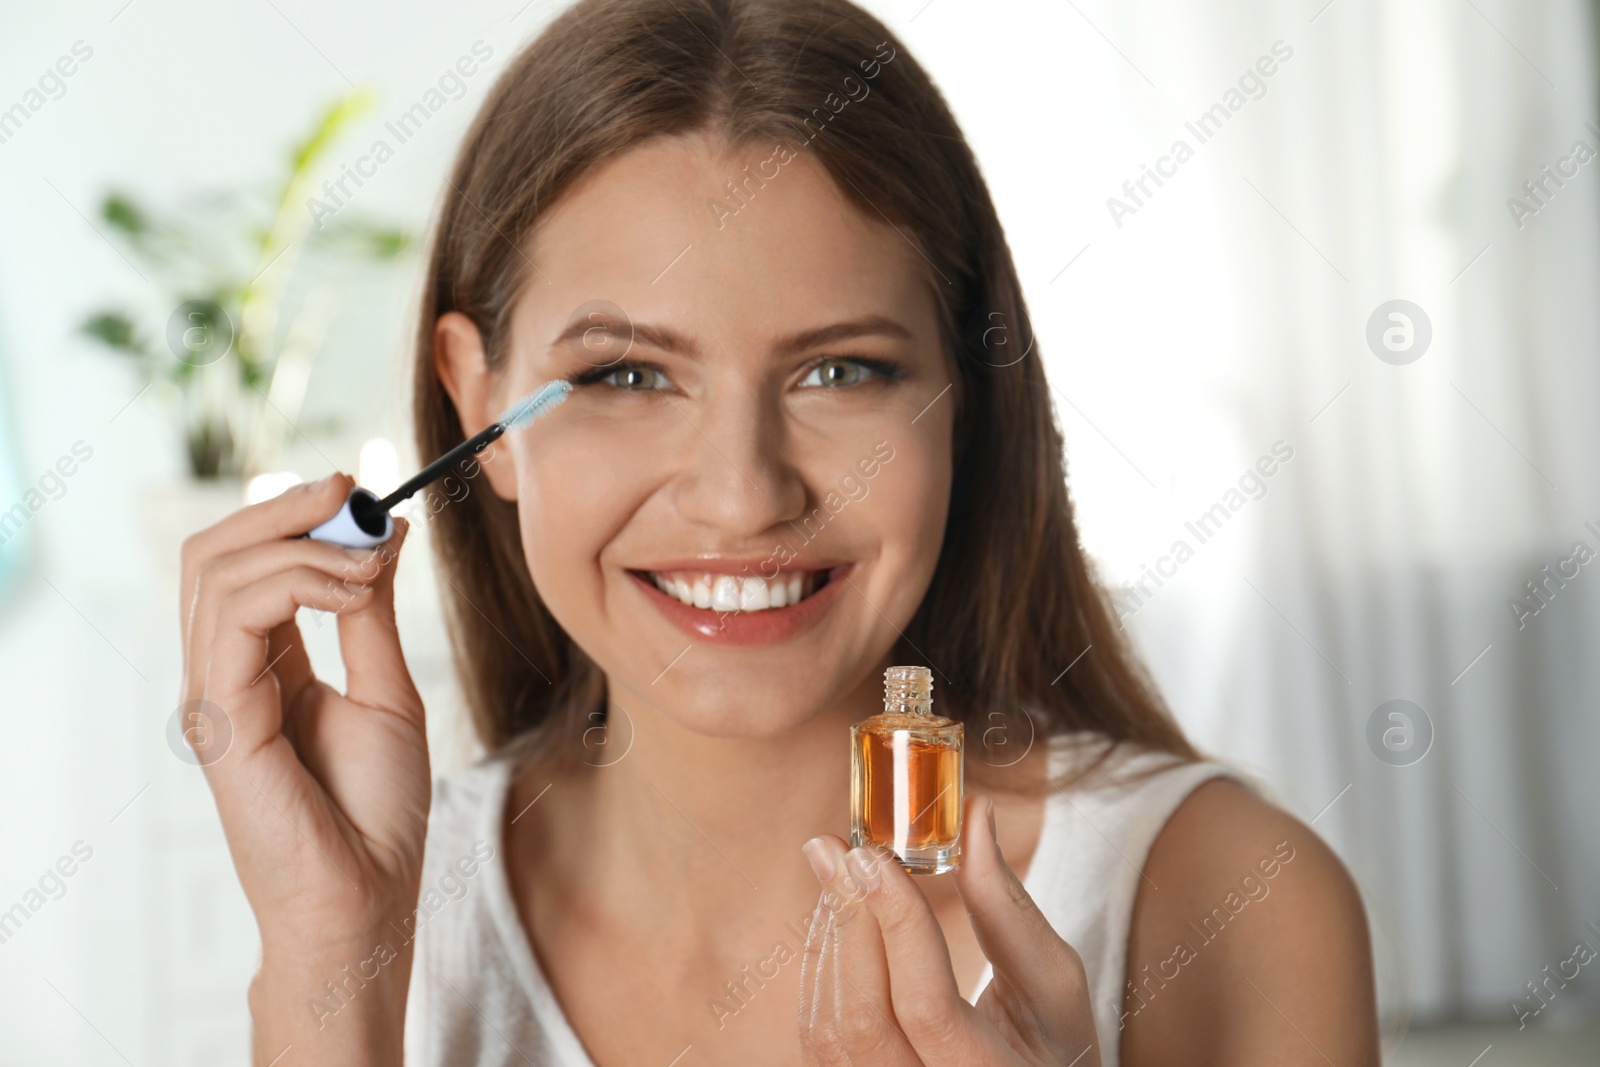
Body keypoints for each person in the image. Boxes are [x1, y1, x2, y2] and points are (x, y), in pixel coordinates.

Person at [177, 0, 1380, 1063]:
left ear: (965, 393)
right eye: (628, 375)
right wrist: (329, 964)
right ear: (476, 396)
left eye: (842, 368)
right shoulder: (389, 911)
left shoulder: (1234, 900)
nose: (743, 496)